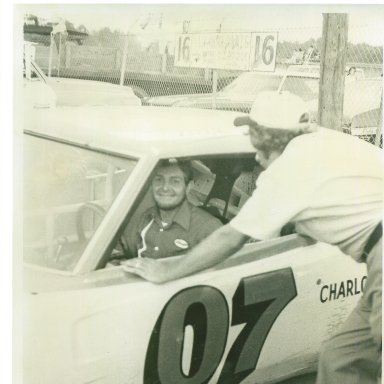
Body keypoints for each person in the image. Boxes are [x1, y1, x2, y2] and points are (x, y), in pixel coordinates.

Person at [122, 90, 382, 384]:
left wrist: (166, 269)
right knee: (341, 359)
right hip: (374, 258)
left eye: (254, 132)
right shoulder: (324, 142)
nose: (253, 146)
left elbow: (232, 238)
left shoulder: (287, 170)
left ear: (267, 135)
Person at [123, 159, 223, 260]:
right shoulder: (146, 217)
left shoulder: (208, 228)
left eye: (175, 181)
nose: (165, 187)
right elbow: (130, 257)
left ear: (188, 187)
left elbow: (221, 272)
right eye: (159, 180)